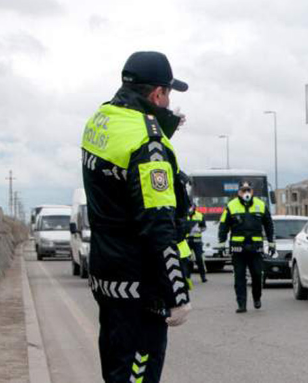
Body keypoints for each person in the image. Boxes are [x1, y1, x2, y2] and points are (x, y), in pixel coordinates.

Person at [81, 51, 191, 383]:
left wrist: (159, 125)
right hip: (141, 286)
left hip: (107, 274)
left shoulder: (100, 120)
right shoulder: (149, 142)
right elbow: (157, 223)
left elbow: (120, 184)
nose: (169, 101)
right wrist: (177, 293)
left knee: (116, 370)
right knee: (138, 375)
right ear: (157, 93)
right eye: (168, 94)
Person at [218, 180, 275, 313]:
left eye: (248, 190)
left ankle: (257, 297)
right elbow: (223, 225)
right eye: (243, 190)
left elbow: (269, 225)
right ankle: (241, 304)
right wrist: (221, 244)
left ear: (252, 191)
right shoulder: (231, 206)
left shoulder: (261, 205)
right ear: (239, 192)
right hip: (238, 249)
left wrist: (272, 243)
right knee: (239, 277)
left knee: (257, 275)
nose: (246, 192)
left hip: (256, 248)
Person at [186, 205, 208, 283]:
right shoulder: (184, 215)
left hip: (197, 240)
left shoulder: (199, 215)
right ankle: (187, 277)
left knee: (199, 258)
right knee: (187, 259)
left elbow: (204, 227)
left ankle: (203, 276)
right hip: (187, 240)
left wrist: (198, 230)